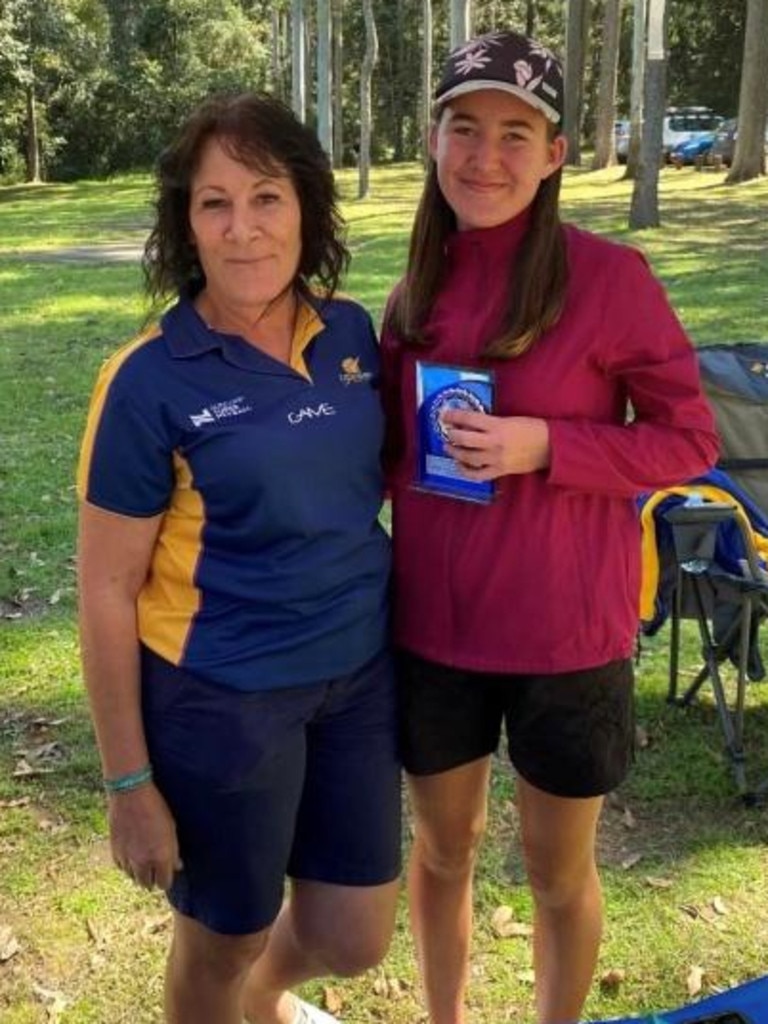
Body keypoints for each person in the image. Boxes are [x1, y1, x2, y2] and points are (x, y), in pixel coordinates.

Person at [380, 29, 719, 1024]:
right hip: (433, 635)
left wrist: (548, 445)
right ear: (434, 139)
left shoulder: (610, 279)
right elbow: (390, 459)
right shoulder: (414, 292)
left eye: (515, 134)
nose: (486, 157)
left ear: (556, 151)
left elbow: (688, 440)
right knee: (443, 854)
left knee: (556, 874)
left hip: (569, 638)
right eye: (465, 128)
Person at [76, 93, 401, 1024]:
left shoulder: (348, 334)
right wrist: (129, 783)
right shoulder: (147, 380)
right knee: (225, 939)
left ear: (306, 207)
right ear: (186, 222)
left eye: (266, 197)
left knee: (353, 936)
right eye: (214, 202)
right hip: (222, 700)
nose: (243, 228)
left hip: (358, 679)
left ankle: (264, 1001)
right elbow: (103, 590)